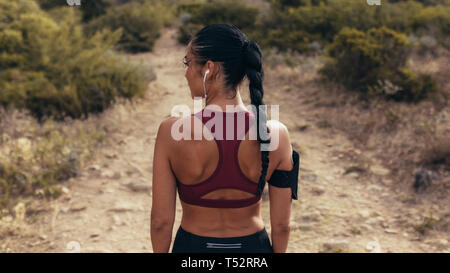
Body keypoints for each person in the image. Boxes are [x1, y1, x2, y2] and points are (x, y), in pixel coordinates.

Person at [151, 24, 299, 253]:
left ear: (209, 69)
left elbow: (161, 222)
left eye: (188, 63)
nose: (186, 73)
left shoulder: (172, 131)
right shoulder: (276, 133)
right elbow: (282, 226)